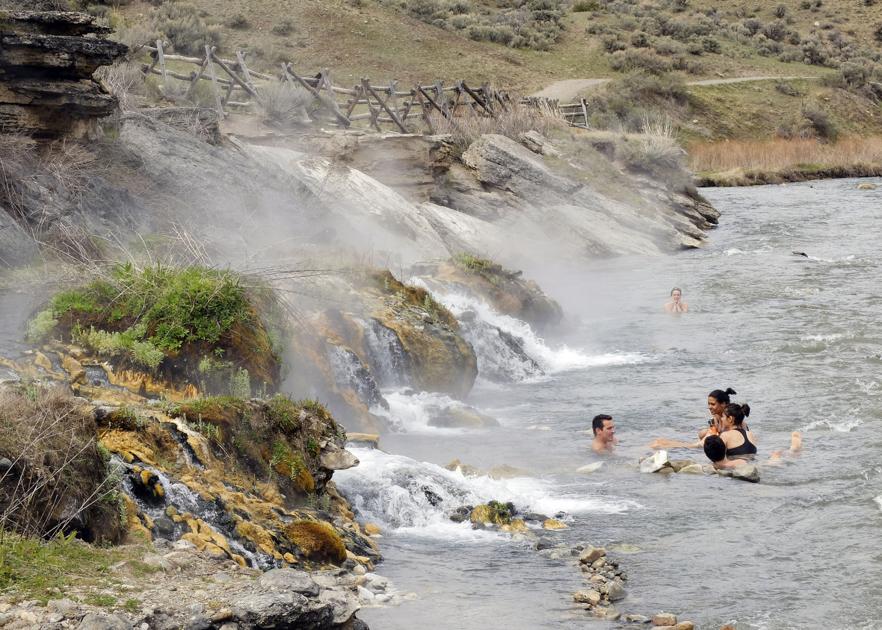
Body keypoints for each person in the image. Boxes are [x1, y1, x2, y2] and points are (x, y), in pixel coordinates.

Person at [649, 387, 738, 450]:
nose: (709, 407)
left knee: (659, 443)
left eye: (713, 404)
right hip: (706, 445)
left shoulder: (729, 419)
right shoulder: (716, 417)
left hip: (704, 447)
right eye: (708, 404)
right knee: (659, 441)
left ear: (723, 404)